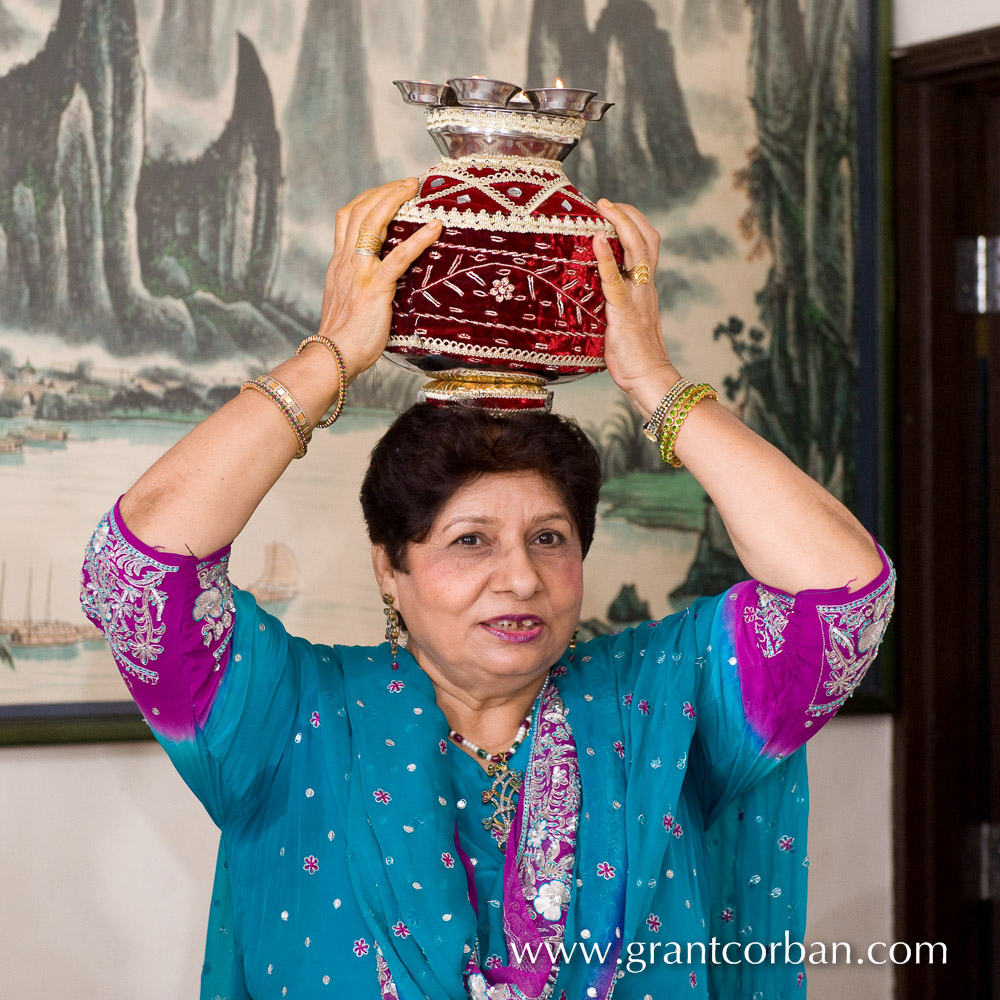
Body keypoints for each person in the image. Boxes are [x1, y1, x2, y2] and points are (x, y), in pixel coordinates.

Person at [80, 178, 893, 999]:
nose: (521, 577)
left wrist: (655, 384)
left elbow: (841, 592)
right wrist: (329, 357)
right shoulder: (290, 718)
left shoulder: (666, 702)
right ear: (389, 565)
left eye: (550, 538)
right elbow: (141, 568)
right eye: (470, 541)